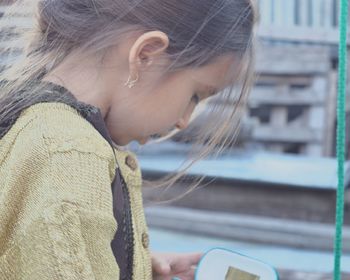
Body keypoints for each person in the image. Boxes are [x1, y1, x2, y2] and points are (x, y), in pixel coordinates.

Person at [0, 0, 257, 279]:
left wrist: (131, 264)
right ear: (146, 55)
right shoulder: (71, 153)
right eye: (196, 95)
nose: (185, 120)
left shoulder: (40, 124)